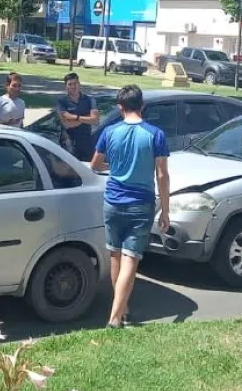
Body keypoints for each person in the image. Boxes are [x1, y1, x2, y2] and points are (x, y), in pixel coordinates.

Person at [90, 85, 170, 329]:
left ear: (120, 107)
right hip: (140, 204)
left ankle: (121, 310)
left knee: (116, 255)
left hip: (113, 201)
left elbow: (95, 164)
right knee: (130, 260)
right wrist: (165, 210)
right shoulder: (155, 134)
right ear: (142, 105)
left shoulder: (110, 132)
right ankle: (115, 317)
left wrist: (114, 168)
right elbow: (162, 174)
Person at [55, 72, 100, 161]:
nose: (73, 86)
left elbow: (95, 121)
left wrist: (75, 117)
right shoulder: (61, 101)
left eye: (75, 83)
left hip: (86, 143)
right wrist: (87, 118)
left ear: (79, 84)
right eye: (70, 84)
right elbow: (67, 124)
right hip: (69, 143)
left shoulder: (89, 100)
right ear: (66, 86)